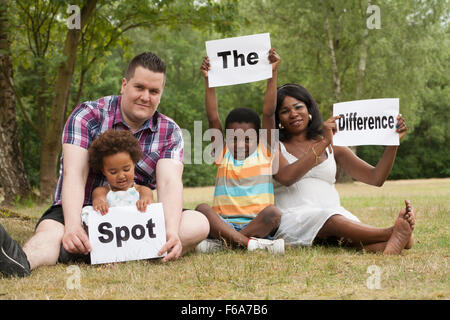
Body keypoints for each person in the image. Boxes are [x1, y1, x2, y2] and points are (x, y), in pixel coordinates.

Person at [0, 52, 209, 277]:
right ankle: (20, 263)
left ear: (161, 93)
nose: (145, 97)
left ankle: (98, 251)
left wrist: (171, 231)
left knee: (198, 223)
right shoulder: (88, 115)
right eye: (139, 87)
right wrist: (72, 225)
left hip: (136, 219)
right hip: (80, 210)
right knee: (49, 234)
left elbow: (169, 182)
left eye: (154, 91)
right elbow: (74, 175)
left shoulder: (170, 131)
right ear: (124, 84)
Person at [264, 83, 415, 254]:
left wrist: (392, 142)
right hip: (295, 219)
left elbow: (375, 178)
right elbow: (286, 176)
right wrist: (323, 142)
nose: (293, 114)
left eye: (298, 107)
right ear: (278, 119)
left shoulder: (334, 147)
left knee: (353, 236)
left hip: (337, 216)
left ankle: (395, 242)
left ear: (309, 109)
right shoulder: (274, 145)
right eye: (284, 111)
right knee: (331, 219)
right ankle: (391, 232)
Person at [195, 49, 285, 255]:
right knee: (202, 209)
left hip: (258, 225)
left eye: (248, 138)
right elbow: (213, 117)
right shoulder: (223, 153)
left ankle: (225, 244)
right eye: (234, 138)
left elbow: (268, 113)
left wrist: (272, 73)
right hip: (223, 223)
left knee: (274, 213)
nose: (241, 143)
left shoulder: (266, 151)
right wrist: (209, 81)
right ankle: (247, 244)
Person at [80, 130, 154, 230]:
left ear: (133, 164)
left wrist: (144, 201)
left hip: (136, 230)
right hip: (111, 231)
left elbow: (148, 199)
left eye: (126, 169)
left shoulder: (142, 190)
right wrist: (101, 203)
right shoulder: (102, 191)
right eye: (113, 172)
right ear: (103, 171)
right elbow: (98, 200)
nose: (121, 176)